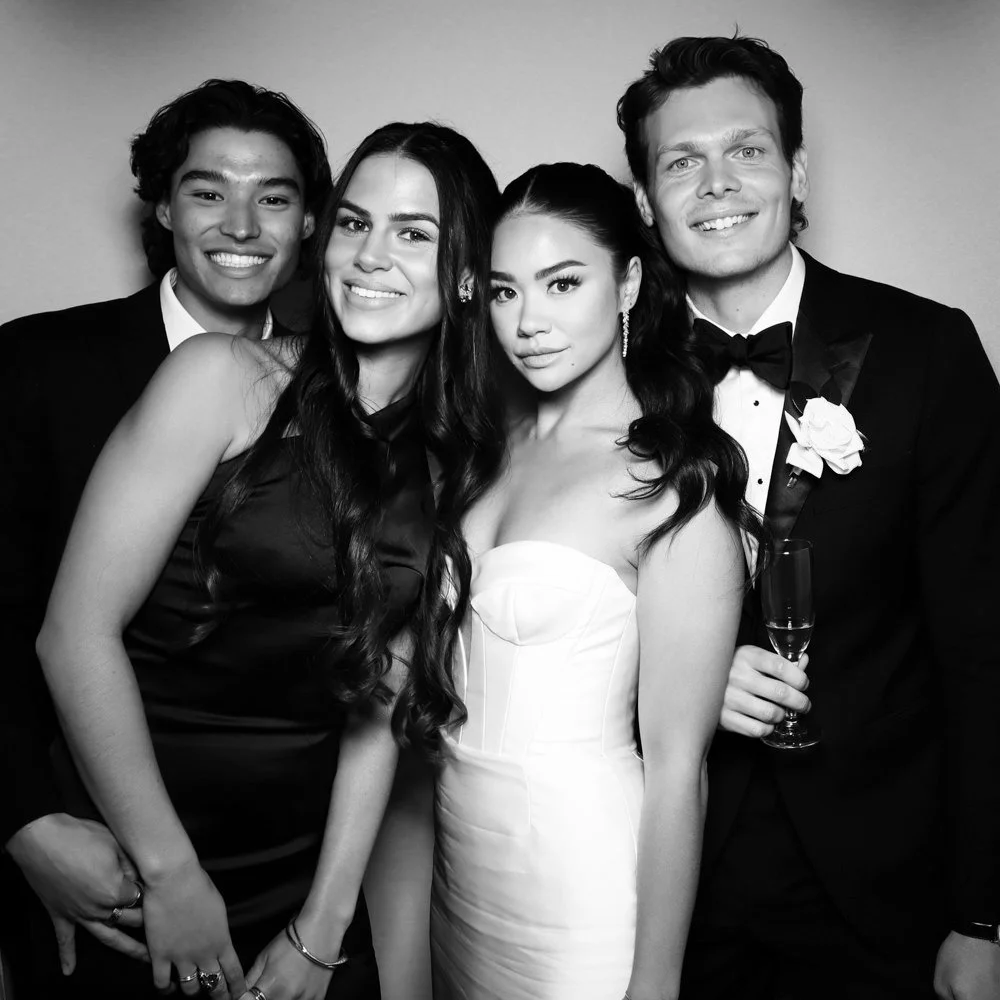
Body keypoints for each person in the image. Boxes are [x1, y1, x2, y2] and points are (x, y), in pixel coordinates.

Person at [32, 120, 502, 1000]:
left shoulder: (458, 463)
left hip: (304, 871)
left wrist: (322, 924)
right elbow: (73, 636)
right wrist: (171, 874)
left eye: (414, 234)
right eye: (357, 224)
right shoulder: (220, 378)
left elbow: (381, 703)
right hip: (140, 859)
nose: (370, 256)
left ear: (468, 274)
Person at [617, 34, 1000, 1000]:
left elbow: (984, 645)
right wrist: (676, 677)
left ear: (794, 171)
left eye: (745, 151)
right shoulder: (602, 374)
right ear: (644, 202)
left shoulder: (929, 350)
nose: (716, 185)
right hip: (663, 878)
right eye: (681, 162)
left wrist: (983, 914)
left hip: (883, 889)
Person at [0, 77, 330, 994]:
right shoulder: (35, 366)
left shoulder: (342, 388)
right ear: (161, 206)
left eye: (275, 196)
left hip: (286, 861)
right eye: (207, 190)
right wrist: (22, 820)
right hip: (87, 849)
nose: (241, 224)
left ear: (309, 224)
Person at [429, 162, 761, 1000]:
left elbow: (680, 771)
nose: (527, 322)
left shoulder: (669, 486)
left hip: (581, 889)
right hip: (461, 866)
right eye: (503, 292)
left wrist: (655, 984)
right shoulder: (486, 448)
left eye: (562, 283)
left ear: (628, 284)